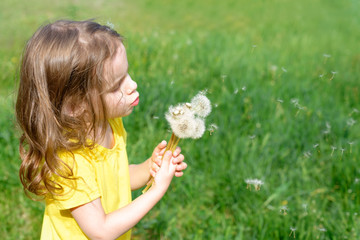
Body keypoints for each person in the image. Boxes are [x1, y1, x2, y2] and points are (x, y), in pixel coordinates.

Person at [15, 20, 187, 240]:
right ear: (76, 106)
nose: (132, 84)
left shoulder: (109, 122)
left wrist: (150, 168)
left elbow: (116, 178)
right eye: (116, 85)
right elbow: (101, 231)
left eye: (127, 73)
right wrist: (156, 190)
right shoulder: (69, 161)